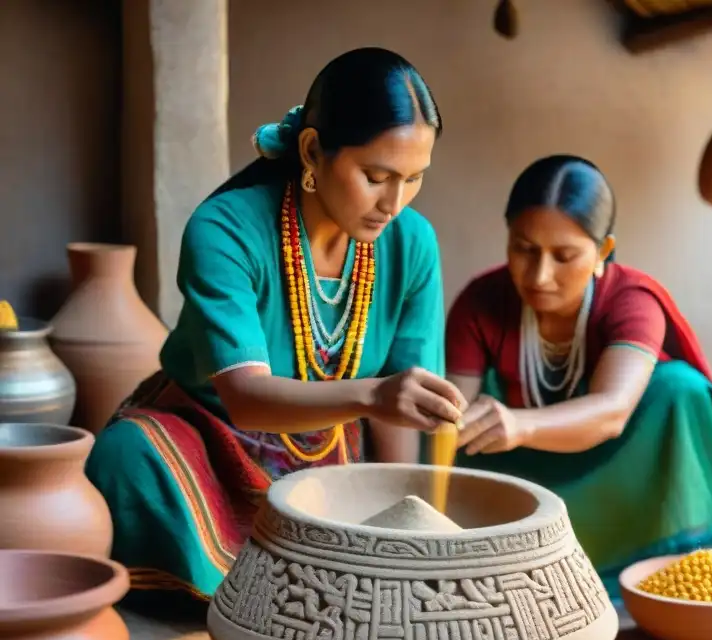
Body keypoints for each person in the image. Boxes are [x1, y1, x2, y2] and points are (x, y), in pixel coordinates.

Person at [86, 48, 466, 602]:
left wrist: (401, 515)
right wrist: (374, 396)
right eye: (375, 176)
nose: (394, 202)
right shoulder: (226, 230)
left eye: (414, 179)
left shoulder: (412, 243)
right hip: (207, 442)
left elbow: (400, 411)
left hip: (332, 453)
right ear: (313, 151)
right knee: (127, 455)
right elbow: (244, 397)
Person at [445, 155, 712, 596]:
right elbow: (453, 426)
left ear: (602, 252)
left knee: (681, 390)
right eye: (524, 249)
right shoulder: (482, 300)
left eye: (564, 256)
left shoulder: (631, 300)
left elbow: (612, 412)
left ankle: (668, 572)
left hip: (621, 462)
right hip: (522, 472)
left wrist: (519, 425)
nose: (540, 275)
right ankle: (504, 576)